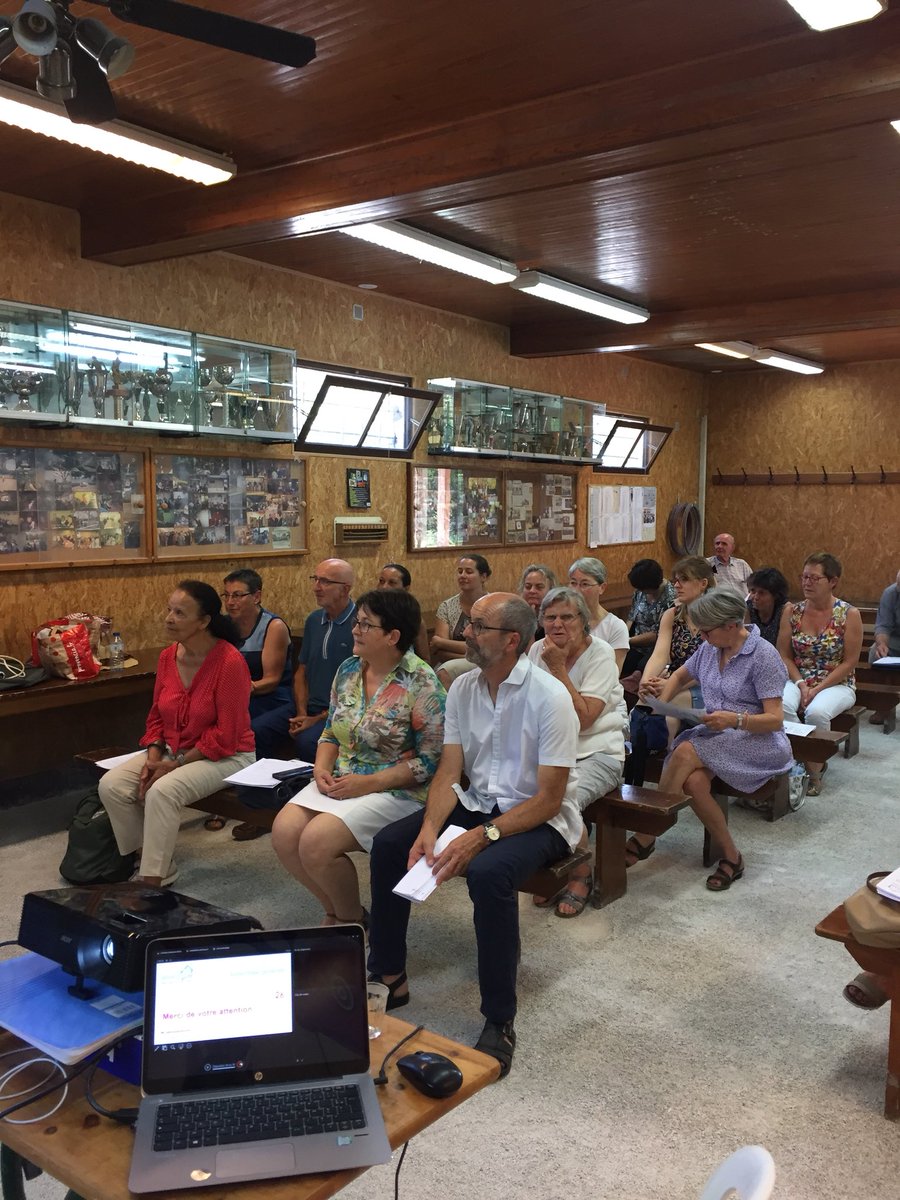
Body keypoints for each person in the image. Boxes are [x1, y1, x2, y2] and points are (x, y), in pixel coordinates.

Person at [366, 594, 580, 1079]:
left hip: (538, 818)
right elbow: (450, 770)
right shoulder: (463, 687)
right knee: (389, 845)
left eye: (477, 626)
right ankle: (389, 973)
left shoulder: (550, 698)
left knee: (488, 873)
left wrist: (481, 836)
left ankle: (499, 1018)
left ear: (511, 641)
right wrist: (428, 829)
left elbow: (548, 799)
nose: (465, 631)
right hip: (479, 801)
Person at [271, 589, 445, 926]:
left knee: (316, 842)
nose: (355, 630)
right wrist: (320, 769)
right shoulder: (349, 670)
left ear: (393, 636)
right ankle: (340, 912)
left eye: (366, 625)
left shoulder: (422, 682)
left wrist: (368, 783)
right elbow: (330, 733)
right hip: (343, 779)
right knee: (284, 832)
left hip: (397, 789)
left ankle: (347, 922)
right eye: (357, 622)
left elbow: (430, 762)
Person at [628, 590, 791, 891]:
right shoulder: (711, 648)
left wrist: (736, 719)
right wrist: (658, 700)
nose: (701, 637)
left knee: (686, 750)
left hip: (757, 740)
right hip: (718, 736)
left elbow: (776, 720)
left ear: (731, 625)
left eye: (706, 631)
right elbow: (678, 676)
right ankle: (731, 856)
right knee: (694, 784)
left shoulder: (762, 655)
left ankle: (648, 832)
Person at [98, 581, 255, 886]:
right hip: (174, 750)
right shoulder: (168, 657)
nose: (169, 618)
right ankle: (151, 859)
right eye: (169, 609)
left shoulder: (229, 661)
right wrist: (155, 756)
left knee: (163, 790)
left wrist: (175, 763)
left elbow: (227, 734)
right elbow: (157, 714)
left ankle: (152, 880)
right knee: (112, 785)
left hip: (229, 755)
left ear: (204, 621)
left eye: (180, 613)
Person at [528, 586, 625, 917]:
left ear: (584, 621)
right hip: (549, 751)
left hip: (598, 752)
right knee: (517, 796)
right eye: (550, 617)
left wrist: (558, 669)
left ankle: (581, 872)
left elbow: (584, 720)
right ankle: (551, 868)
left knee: (558, 802)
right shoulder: (536, 651)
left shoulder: (600, 655)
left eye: (567, 617)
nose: (557, 624)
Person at [207, 569, 294, 841]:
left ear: (256, 596)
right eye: (227, 596)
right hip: (240, 698)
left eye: (238, 596)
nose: (231, 602)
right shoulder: (222, 626)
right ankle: (216, 797)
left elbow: (271, 679)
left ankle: (256, 807)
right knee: (207, 721)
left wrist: (232, 694)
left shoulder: (273, 626)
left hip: (274, 697)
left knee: (249, 728)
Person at [777, 552, 862, 795]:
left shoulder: (848, 614)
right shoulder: (792, 611)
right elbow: (783, 654)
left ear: (832, 581)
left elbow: (850, 662)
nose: (806, 583)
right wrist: (802, 684)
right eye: (804, 577)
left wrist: (817, 688)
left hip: (837, 682)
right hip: (798, 676)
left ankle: (815, 769)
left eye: (814, 578)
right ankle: (796, 761)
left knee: (816, 711)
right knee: (781, 705)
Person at [637, 556, 717, 744]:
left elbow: (711, 665)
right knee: (642, 707)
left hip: (706, 684)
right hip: (674, 679)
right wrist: (646, 682)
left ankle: (668, 761)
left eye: (684, 580)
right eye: (675, 580)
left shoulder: (716, 618)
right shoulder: (672, 615)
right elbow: (659, 654)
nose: (677, 585)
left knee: (665, 709)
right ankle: (642, 765)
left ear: (703, 583)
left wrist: (673, 684)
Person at [289, 559, 356, 763]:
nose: (316, 587)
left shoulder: (360, 623)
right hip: (309, 707)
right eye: (315, 579)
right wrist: (302, 713)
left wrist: (316, 719)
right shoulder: (313, 620)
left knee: (307, 741)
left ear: (345, 589)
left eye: (325, 581)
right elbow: (302, 671)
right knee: (259, 727)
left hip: (343, 712)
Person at [568, 556, 629, 669]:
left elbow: (612, 675)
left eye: (584, 584)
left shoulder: (615, 627)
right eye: (573, 583)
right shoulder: (562, 620)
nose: (576, 590)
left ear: (602, 588)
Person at [431, 554, 492, 665]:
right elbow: (440, 652)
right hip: (451, 665)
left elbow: (489, 648)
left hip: (487, 666)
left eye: (469, 572)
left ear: (484, 576)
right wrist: (477, 656)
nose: (462, 576)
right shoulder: (447, 607)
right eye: (460, 572)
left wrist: (443, 643)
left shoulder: (494, 605)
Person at [623, 557, 675, 676]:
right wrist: (623, 636)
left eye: (642, 588)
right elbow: (632, 617)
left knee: (643, 667)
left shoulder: (670, 598)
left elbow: (656, 635)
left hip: (656, 646)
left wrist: (628, 641)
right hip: (635, 642)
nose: (639, 590)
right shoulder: (640, 591)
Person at [377, 562, 431, 662]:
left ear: (406, 588)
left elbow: (425, 659)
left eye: (392, 583)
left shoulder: (414, 619)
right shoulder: (369, 615)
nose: (384, 587)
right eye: (381, 581)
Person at [746, 567, 791, 646]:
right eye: (753, 591)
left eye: (762, 593)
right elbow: (746, 644)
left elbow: (782, 650)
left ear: (775, 595)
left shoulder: (785, 610)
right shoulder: (747, 608)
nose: (755, 597)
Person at [517, 562, 558, 639]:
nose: (532, 591)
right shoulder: (515, 617)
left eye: (539, 587)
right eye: (528, 587)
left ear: (551, 590)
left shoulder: (557, 619)